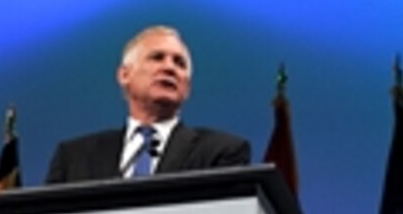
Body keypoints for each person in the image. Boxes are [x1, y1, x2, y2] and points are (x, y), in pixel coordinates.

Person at [45, 25, 251, 183]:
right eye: (157, 58)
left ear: (187, 88)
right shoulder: (73, 158)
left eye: (179, 63)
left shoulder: (221, 152)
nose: (169, 68)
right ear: (125, 75)